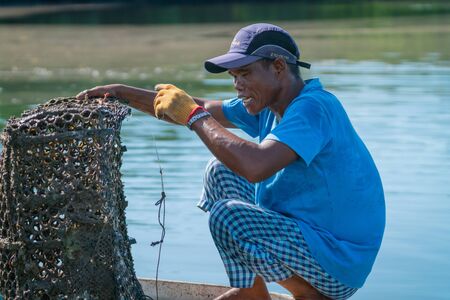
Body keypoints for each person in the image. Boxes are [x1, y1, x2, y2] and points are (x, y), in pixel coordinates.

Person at [77, 23, 385, 300]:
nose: (237, 84)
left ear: (278, 66)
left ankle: (310, 296)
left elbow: (254, 166)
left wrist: (193, 117)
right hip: (311, 236)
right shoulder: (269, 104)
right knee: (220, 172)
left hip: (340, 260)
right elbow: (202, 107)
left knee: (228, 216)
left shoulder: (312, 108)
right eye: (234, 76)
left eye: (245, 73)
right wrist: (121, 92)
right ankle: (252, 292)